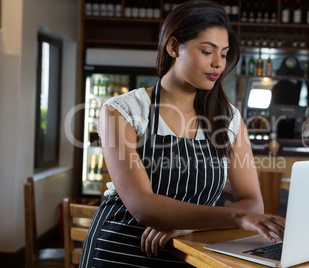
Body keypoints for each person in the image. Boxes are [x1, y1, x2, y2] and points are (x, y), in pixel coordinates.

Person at [80, 1, 285, 267]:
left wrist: (191, 227)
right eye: (207, 51)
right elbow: (144, 206)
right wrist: (235, 217)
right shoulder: (124, 110)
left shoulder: (229, 119)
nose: (217, 64)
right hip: (120, 250)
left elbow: (252, 203)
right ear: (174, 47)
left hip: (190, 254)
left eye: (223, 54)